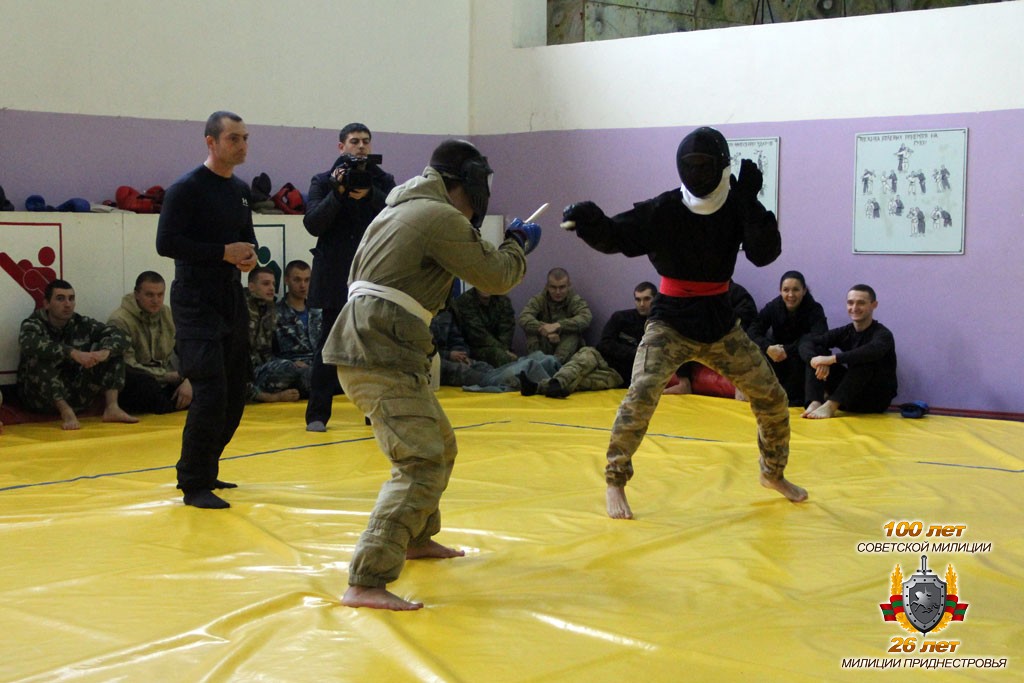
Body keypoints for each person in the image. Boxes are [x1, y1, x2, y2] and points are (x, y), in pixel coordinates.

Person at [322, 139, 539, 610]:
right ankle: (366, 579)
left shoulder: (399, 208)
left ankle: (415, 538)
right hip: (380, 350)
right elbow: (497, 277)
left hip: (378, 344)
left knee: (440, 444)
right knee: (420, 461)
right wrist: (518, 244)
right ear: (470, 183)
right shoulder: (439, 216)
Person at [562, 125, 808, 519]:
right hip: (670, 321)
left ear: (721, 166)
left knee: (772, 398)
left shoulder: (736, 204)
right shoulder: (663, 209)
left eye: (704, 165)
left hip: (719, 322)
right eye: (690, 165)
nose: (696, 172)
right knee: (641, 394)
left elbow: (764, 254)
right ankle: (615, 480)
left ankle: (772, 473)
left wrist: (750, 202)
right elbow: (616, 236)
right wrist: (589, 221)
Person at [156, 110, 257, 510]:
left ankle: (207, 467)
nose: (242, 145)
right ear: (211, 142)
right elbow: (166, 244)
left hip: (230, 296)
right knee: (210, 390)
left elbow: (246, 238)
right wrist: (222, 253)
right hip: (195, 300)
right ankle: (193, 482)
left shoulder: (241, 190)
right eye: (234, 138)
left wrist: (248, 257)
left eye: (245, 138)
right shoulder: (186, 189)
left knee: (235, 390)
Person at [303, 123, 396, 432]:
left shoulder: (383, 181)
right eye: (354, 141)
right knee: (328, 345)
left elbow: (396, 217)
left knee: (373, 346)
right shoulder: (323, 180)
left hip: (373, 273)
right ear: (341, 146)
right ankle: (317, 414)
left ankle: (374, 411)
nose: (361, 146)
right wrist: (339, 193)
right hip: (335, 275)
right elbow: (313, 224)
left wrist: (370, 194)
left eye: (366, 141)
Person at [17, 279, 138, 430]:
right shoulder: (34, 323)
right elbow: (28, 343)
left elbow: (121, 336)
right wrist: (72, 353)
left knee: (113, 352)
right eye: (60, 299)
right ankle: (66, 412)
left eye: (71, 299)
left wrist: (105, 352)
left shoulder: (81, 322)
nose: (67, 304)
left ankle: (112, 408)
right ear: (47, 304)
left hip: (76, 392)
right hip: (41, 398)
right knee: (39, 357)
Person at [519, 281, 656, 398]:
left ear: (656, 299)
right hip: (598, 356)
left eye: (646, 299)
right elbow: (604, 343)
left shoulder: (658, 326)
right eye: (638, 299)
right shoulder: (621, 317)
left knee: (582, 382)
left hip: (618, 374)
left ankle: (536, 387)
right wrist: (635, 352)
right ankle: (556, 383)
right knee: (577, 365)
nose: (642, 304)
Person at [799, 284, 897, 419]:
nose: (854, 308)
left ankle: (830, 405)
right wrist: (814, 360)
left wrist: (832, 359)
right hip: (848, 397)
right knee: (818, 354)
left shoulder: (883, 335)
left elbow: (871, 351)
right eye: (850, 303)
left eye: (861, 303)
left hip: (875, 400)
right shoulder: (846, 331)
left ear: (874, 305)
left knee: (863, 360)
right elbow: (806, 342)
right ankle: (815, 402)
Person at [108, 271, 192, 414]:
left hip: (166, 379)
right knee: (146, 386)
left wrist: (188, 379)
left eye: (160, 295)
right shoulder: (119, 320)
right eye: (149, 295)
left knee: (204, 385)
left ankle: (173, 403)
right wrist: (166, 376)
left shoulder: (167, 313)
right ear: (136, 294)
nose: (156, 300)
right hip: (138, 380)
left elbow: (186, 349)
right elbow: (127, 363)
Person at [747, 271, 828, 407]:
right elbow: (753, 331)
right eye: (786, 290)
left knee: (814, 349)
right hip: (778, 357)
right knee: (753, 348)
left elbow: (820, 337)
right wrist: (768, 347)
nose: (790, 295)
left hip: (802, 358)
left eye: (796, 290)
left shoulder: (814, 309)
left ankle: (814, 401)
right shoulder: (773, 306)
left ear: (804, 291)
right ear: (780, 291)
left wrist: (787, 350)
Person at [246, 267, 306, 402]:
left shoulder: (269, 310)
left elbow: (266, 354)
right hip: (244, 377)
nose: (272, 288)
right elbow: (236, 362)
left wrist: (293, 363)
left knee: (310, 373)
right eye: (266, 284)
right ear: (251, 287)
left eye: (273, 284)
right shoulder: (242, 312)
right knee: (287, 369)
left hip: (263, 370)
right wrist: (273, 397)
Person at [518, 268, 593, 362]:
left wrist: (558, 326)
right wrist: (543, 329)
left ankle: (555, 364)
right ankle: (536, 363)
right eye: (553, 287)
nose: (558, 292)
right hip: (544, 343)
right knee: (531, 332)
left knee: (573, 333)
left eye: (562, 287)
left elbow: (586, 317)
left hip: (566, 347)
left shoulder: (574, 300)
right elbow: (524, 317)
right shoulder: (539, 299)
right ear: (547, 286)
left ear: (569, 286)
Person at [452, 287, 517, 367]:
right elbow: (478, 334)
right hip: (473, 348)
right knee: (500, 355)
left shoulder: (502, 299)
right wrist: (504, 350)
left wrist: (505, 348)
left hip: (501, 347)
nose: (485, 286)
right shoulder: (465, 300)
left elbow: (507, 329)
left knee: (516, 361)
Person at [274, 259, 322, 369]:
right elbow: (264, 354)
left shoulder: (319, 313)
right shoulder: (275, 313)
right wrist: (290, 364)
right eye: (297, 280)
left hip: (318, 366)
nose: (303, 285)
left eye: (307, 280)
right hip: (290, 368)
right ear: (286, 280)